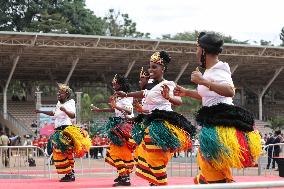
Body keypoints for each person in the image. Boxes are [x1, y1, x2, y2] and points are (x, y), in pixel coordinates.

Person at [174, 32, 262, 184]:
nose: (196, 52)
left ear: (203, 50)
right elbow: (209, 96)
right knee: (211, 163)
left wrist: (203, 81)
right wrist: (187, 92)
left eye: (197, 49)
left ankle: (217, 184)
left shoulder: (219, 70)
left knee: (208, 162)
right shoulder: (210, 71)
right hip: (214, 122)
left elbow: (229, 91)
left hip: (220, 123)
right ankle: (220, 183)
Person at [116, 51, 195, 186]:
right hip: (149, 122)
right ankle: (155, 182)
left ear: (162, 69)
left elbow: (179, 101)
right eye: (150, 67)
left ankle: (160, 183)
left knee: (155, 157)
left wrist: (168, 97)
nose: (150, 70)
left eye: (154, 67)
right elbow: (143, 93)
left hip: (161, 124)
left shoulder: (168, 84)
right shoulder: (150, 84)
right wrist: (127, 94)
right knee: (146, 154)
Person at [35, 83, 91, 182]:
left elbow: (73, 115)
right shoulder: (58, 104)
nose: (58, 94)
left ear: (66, 94)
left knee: (63, 152)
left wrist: (65, 110)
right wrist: (40, 111)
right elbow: (53, 113)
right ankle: (69, 173)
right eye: (58, 93)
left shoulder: (70, 103)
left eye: (61, 93)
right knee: (62, 152)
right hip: (58, 131)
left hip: (66, 131)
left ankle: (70, 173)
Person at [91, 74, 135, 187]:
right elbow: (114, 108)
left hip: (124, 127)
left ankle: (125, 178)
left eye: (115, 83)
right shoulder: (119, 97)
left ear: (121, 85)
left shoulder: (125, 97)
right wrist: (100, 110)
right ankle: (123, 175)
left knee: (117, 153)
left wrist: (116, 105)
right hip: (120, 126)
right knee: (119, 152)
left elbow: (129, 111)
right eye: (113, 83)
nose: (113, 85)